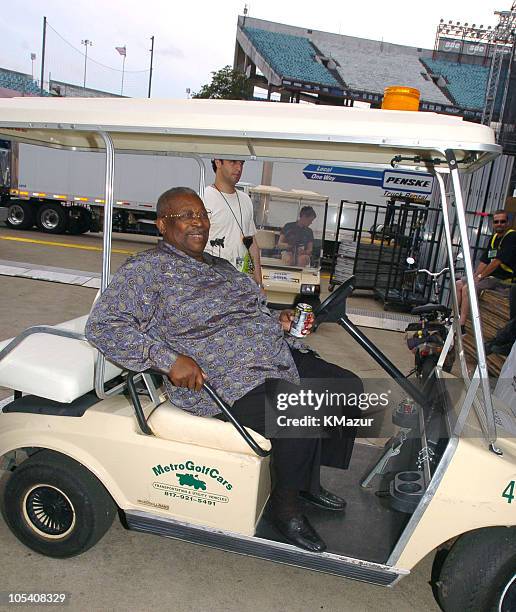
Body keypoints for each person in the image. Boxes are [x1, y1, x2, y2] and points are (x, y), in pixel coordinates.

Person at [86, 187, 363, 554]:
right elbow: (103, 326)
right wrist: (168, 360)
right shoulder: (145, 270)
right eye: (185, 215)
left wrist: (277, 321)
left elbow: (252, 310)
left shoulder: (222, 266)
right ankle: (286, 509)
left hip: (272, 354)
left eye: (201, 214)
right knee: (299, 411)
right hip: (222, 378)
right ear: (161, 225)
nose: (198, 222)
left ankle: (305, 481)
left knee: (349, 387)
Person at [203, 159, 262, 287]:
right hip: (214, 281)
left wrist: (259, 284)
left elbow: (251, 243)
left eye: (242, 163)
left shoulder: (246, 199)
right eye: (233, 162)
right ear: (218, 162)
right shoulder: (203, 198)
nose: (239, 168)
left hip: (241, 281)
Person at [456, 209, 516, 333]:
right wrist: (474, 276)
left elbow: (496, 262)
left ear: (508, 223)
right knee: (459, 283)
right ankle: (454, 316)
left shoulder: (511, 236)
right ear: (492, 223)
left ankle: (461, 325)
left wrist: (480, 277)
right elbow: (485, 261)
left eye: (502, 221)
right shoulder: (494, 238)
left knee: (469, 288)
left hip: (503, 280)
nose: (499, 224)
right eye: (496, 222)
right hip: (489, 277)